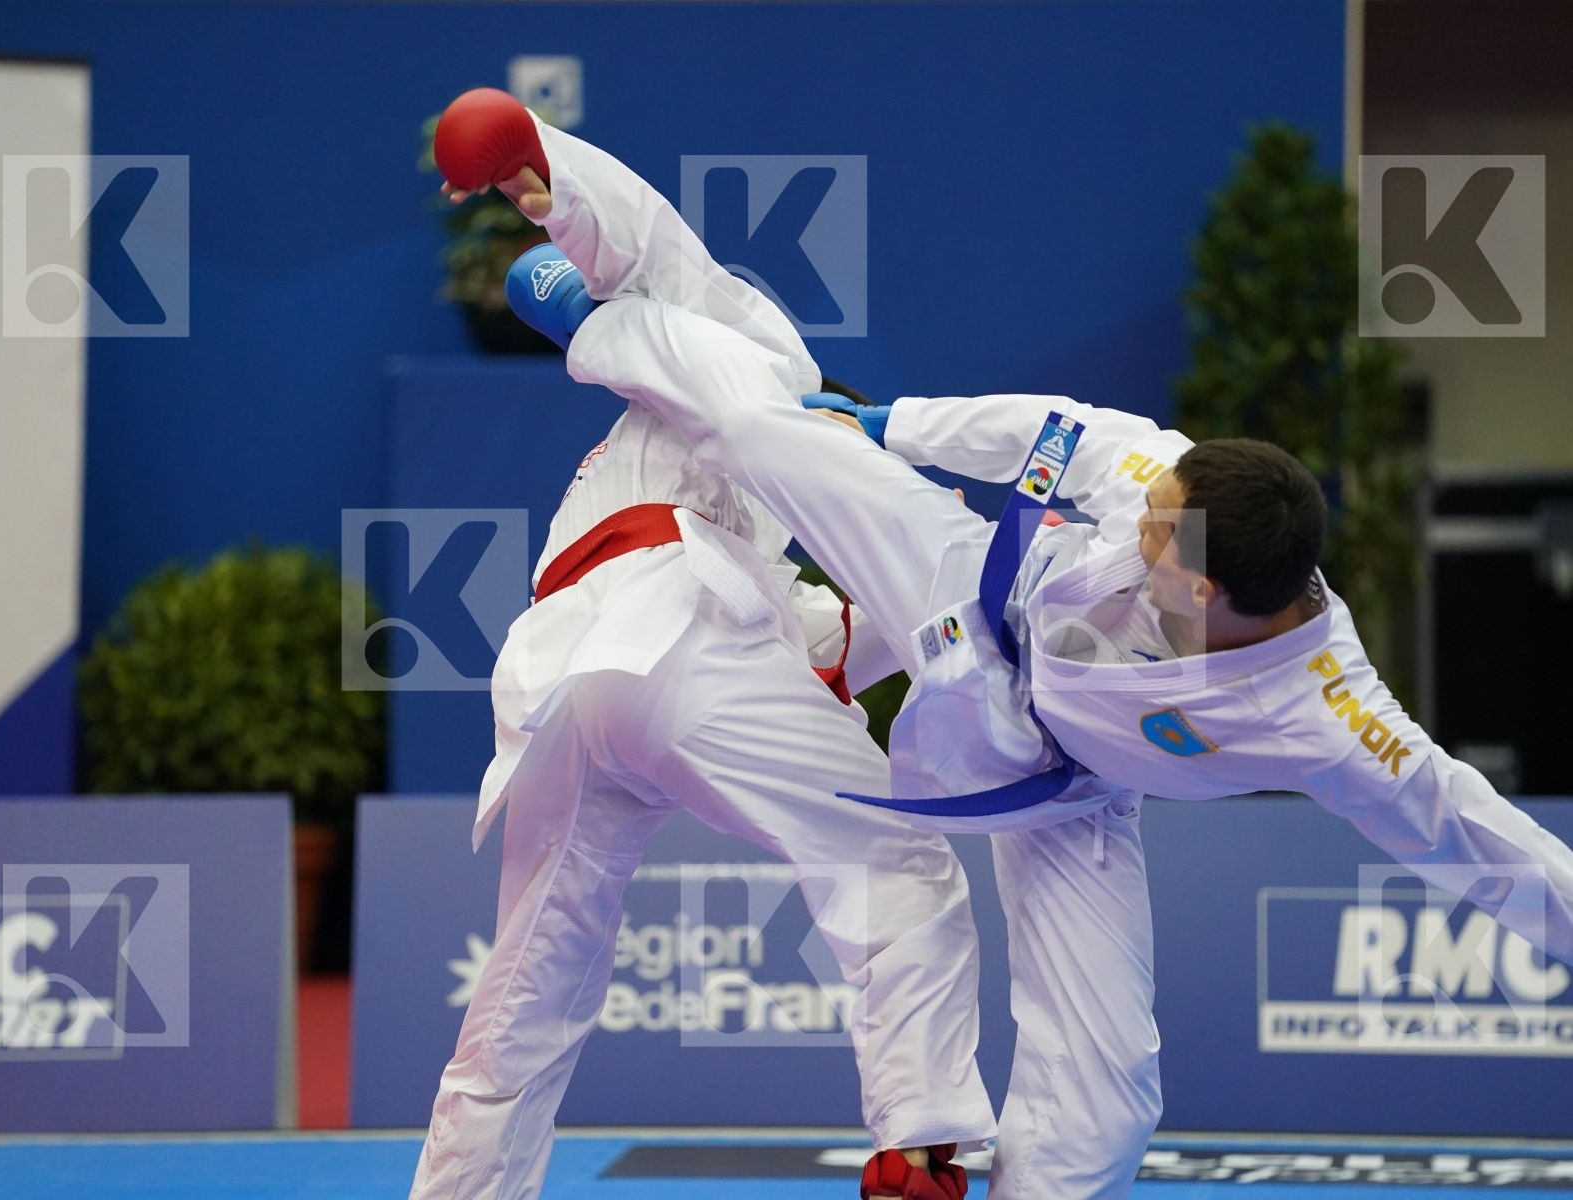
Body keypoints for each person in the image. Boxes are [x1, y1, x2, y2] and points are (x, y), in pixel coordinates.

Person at [432, 88, 1573, 1200]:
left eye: (1159, 537)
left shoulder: (1329, 715)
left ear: (1215, 593)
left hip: (1057, 790)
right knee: (760, 419)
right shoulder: (1148, 474)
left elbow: (1474, 833)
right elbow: (1037, 432)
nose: (1138, 523)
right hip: (964, 594)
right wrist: (888, 428)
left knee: (1108, 1089)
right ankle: (596, 325)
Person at [406, 254, 997, 1198]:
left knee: (527, 996)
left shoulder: (722, 511)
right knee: (898, 860)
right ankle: (917, 1154)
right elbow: (535, 278)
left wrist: (926, 574)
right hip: (675, 640)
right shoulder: (736, 381)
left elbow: (830, 642)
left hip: (568, 689)